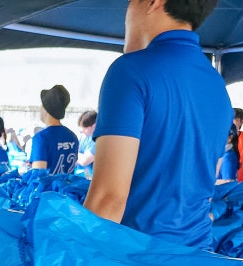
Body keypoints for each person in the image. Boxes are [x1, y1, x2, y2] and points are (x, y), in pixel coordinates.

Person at [83, 0, 231, 247]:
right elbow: (205, 188)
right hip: (197, 258)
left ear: (154, 2)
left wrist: (72, 262)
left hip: (139, 262)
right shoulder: (217, 85)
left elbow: (109, 200)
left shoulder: (131, 71)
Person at [30, 84, 79, 174]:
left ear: (46, 109)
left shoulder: (41, 138)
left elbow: (37, 176)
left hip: (49, 188)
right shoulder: (72, 137)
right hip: (67, 187)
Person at [77, 110, 97, 177]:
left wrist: (74, 154)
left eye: (84, 128)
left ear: (94, 126)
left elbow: (84, 161)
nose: (81, 131)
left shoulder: (99, 141)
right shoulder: (85, 138)